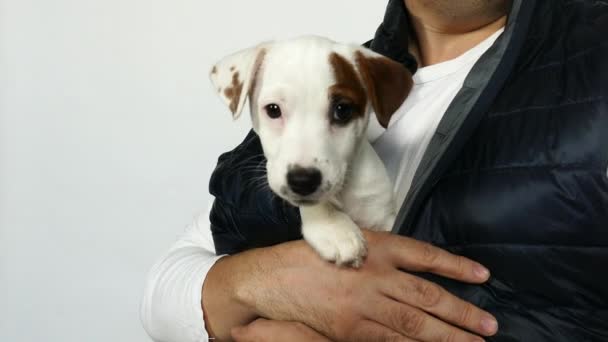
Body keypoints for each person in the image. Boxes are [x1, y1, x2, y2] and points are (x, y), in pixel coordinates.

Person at [140, 0, 608, 341]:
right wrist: (258, 289)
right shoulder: (324, 70)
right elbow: (166, 290)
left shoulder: (591, 66)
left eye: (339, 113)